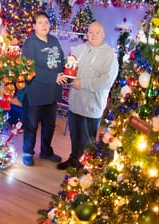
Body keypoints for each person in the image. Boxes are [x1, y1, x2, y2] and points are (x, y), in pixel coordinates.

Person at [57, 21, 119, 170]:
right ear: (87, 34)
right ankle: (73, 159)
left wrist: (83, 83)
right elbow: (70, 69)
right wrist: (64, 75)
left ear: (103, 34)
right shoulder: (78, 49)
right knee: (75, 136)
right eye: (90, 32)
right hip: (75, 102)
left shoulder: (109, 55)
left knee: (87, 141)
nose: (93, 35)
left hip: (92, 106)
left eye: (97, 32)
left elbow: (106, 81)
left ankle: (84, 169)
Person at [20, 11, 67, 166]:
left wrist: (69, 67)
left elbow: (61, 60)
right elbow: (30, 68)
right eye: (40, 22)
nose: (44, 25)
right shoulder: (30, 43)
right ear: (34, 26)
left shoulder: (53, 40)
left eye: (46, 22)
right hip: (36, 92)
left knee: (50, 124)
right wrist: (53, 77)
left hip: (52, 92)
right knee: (32, 124)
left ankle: (46, 151)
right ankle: (28, 152)